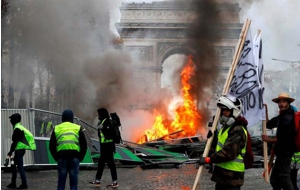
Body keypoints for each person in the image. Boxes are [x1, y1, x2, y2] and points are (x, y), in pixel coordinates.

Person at [198, 94, 248, 190]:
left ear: (234, 111)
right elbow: (218, 147)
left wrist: (209, 159)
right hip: (223, 175)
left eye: (226, 110)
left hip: (232, 177)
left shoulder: (238, 129)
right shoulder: (226, 128)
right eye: (222, 110)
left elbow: (228, 153)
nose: (223, 113)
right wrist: (212, 139)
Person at [262, 92, 296, 190]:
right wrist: (266, 112)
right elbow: (268, 124)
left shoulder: (289, 117)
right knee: (274, 180)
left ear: (288, 103)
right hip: (280, 153)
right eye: (279, 102)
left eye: (284, 101)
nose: (281, 104)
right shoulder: (281, 116)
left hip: (286, 153)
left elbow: (286, 138)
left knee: (284, 179)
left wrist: (269, 139)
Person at [49, 109, 87, 190]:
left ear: (62, 118)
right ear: (72, 118)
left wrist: (56, 157)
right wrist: (80, 157)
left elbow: (51, 146)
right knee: (73, 184)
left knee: (61, 184)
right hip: (75, 158)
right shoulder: (77, 127)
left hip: (62, 158)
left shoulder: (57, 128)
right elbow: (84, 144)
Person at [89, 108, 118, 188]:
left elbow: (109, 133)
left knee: (110, 164)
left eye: (99, 114)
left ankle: (114, 181)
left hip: (108, 146)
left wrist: (103, 128)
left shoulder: (107, 121)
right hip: (104, 146)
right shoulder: (102, 121)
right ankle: (97, 180)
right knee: (101, 164)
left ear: (102, 114)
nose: (98, 115)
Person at [6, 113, 36, 189]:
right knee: (13, 166)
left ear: (14, 120)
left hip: (19, 151)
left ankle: (24, 184)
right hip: (20, 150)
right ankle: (13, 183)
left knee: (20, 167)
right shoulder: (19, 127)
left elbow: (15, 142)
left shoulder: (17, 129)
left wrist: (10, 152)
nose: (10, 121)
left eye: (11, 119)